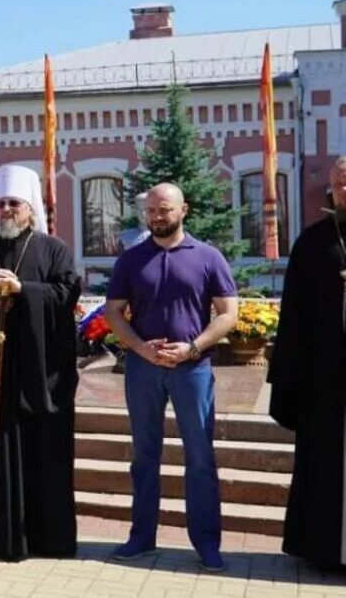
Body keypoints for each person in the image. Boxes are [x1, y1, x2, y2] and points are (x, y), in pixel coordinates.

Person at [0, 164, 81, 561]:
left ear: (30, 209)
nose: (7, 210)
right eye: (1, 203)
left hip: (38, 378)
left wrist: (26, 291)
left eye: (15, 203)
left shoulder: (53, 250)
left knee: (43, 455)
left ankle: (46, 537)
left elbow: (66, 295)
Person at [104, 182, 238, 572]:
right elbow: (113, 312)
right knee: (144, 456)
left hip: (192, 369)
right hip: (143, 369)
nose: (157, 217)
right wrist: (140, 347)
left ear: (184, 210)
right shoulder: (131, 260)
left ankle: (207, 543)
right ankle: (141, 537)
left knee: (199, 457)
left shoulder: (208, 257)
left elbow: (228, 314)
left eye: (164, 210)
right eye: (151, 211)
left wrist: (192, 348)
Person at [268, 155, 346, 569]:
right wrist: (288, 379)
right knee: (324, 468)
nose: (344, 191)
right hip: (325, 382)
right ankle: (322, 552)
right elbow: (293, 317)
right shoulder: (313, 243)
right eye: (339, 184)